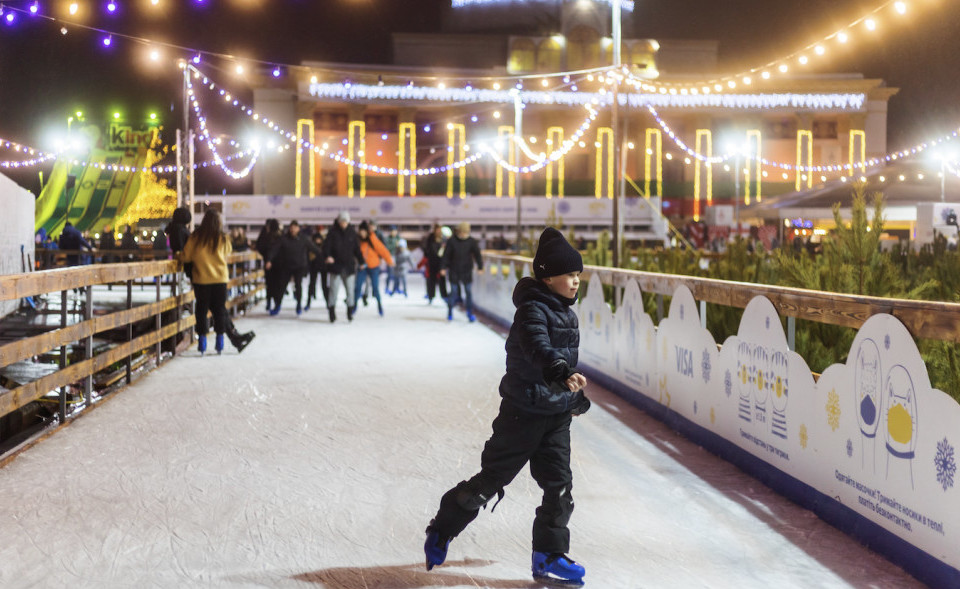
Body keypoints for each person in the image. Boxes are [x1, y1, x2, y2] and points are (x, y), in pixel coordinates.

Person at [424, 227, 590, 586]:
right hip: (523, 414)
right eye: (569, 275)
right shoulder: (532, 311)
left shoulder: (566, 312)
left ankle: (549, 554)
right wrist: (560, 371)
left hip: (555, 416)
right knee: (488, 484)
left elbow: (560, 360)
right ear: (547, 277)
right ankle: (442, 528)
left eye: (578, 275)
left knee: (560, 487)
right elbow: (538, 348)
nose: (576, 282)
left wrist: (572, 397)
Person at [180, 209, 232, 355]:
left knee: (201, 310)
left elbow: (187, 257)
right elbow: (228, 252)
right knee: (219, 310)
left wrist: (178, 255)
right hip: (220, 279)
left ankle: (202, 341)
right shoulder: (223, 238)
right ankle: (219, 341)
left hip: (201, 279)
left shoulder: (196, 237)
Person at [266, 220, 322, 316]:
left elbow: (314, 249)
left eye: (295, 228)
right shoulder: (283, 239)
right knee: (281, 287)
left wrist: (324, 256)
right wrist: (269, 260)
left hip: (299, 266)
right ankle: (277, 306)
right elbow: (274, 250)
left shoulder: (304, 239)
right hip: (286, 266)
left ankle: (299, 305)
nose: (293, 230)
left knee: (298, 286)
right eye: (291, 228)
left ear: (298, 229)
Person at [321, 211, 363, 323]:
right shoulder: (333, 232)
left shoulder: (352, 233)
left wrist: (361, 261)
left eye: (345, 221)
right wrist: (328, 256)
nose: (343, 223)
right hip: (336, 267)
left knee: (350, 291)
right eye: (342, 221)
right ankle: (331, 311)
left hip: (349, 267)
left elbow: (357, 250)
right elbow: (326, 247)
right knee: (333, 290)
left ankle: (349, 311)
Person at [440, 222, 483, 322]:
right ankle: (450, 312)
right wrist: (443, 267)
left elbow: (477, 254)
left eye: (465, 232)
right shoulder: (452, 241)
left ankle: (469, 313)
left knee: (468, 292)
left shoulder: (471, 241)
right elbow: (446, 255)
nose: (463, 234)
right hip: (454, 270)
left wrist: (480, 266)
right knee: (453, 291)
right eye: (462, 232)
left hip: (466, 271)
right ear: (459, 231)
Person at [353, 220, 394, 317]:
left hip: (373, 267)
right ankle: (353, 306)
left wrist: (389, 261)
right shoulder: (357, 240)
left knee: (375, 288)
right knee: (358, 287)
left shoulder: (372, 238)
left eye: (363, 231)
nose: (361, 233)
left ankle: (380, 306)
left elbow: (382, 250)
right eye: (360, 231)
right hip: (362, 267)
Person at [256, 219, 283, 312]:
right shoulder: (279, 236)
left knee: (270, 284)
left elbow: (259, 246)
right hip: (276, 264)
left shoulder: (267, 236)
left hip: (269, 263)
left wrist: (266, 257)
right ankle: (275, 303)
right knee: (276, 284)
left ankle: (271, 302)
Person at [420, 223, 448, 304]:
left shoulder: (443, 238)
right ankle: (431, 296)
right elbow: (426, 248)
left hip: (441, 263)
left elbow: (446, 250)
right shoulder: (430, 238)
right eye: (437, 229)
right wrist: (428, 256)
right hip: (432, 262)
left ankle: (444, 296)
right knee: (431, 280)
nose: (438, 231)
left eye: (440, 229)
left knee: (442, 280)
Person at [306, 228, 328, 312]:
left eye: (319, 239)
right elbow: (309, 258)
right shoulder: (312, 248)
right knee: (312, 285)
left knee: (324, 286)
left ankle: (328, 303)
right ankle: (308, 302)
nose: (318, 241)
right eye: (316, 239)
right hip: (313, 268)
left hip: (323, 268)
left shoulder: (324, 247)